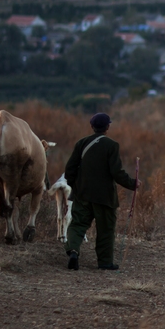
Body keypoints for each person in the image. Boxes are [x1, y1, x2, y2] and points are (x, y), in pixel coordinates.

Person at [63, 112, 140, 271]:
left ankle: (73, 252)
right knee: (105, 229)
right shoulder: (112, 145)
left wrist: (76, 187)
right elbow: (116, 173)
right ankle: (105, 263)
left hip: (83, 194)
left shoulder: (81, 143)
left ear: (92, 126)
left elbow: (69, 170)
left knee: (77, 225)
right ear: (107, 127)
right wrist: (133, 184)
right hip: (105, 197)